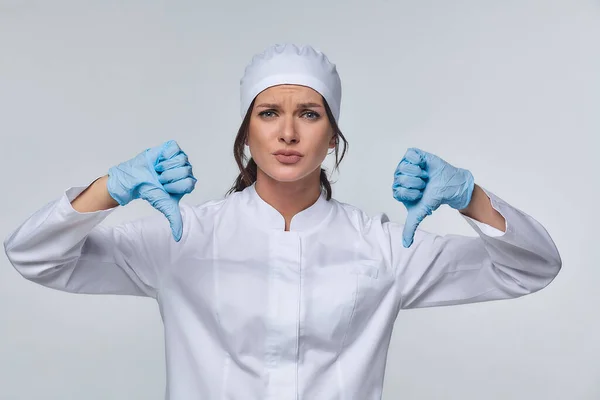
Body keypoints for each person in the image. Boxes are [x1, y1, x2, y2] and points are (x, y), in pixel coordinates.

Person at [3, 43, 562, 399]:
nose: (288, 134)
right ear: (247, 132)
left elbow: (531, 268)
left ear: (332, 135)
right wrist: (109, 188)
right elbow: (33, 256)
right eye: (269, 113)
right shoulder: (182, 239)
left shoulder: (386, 247)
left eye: (309, 114)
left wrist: (469, 195)